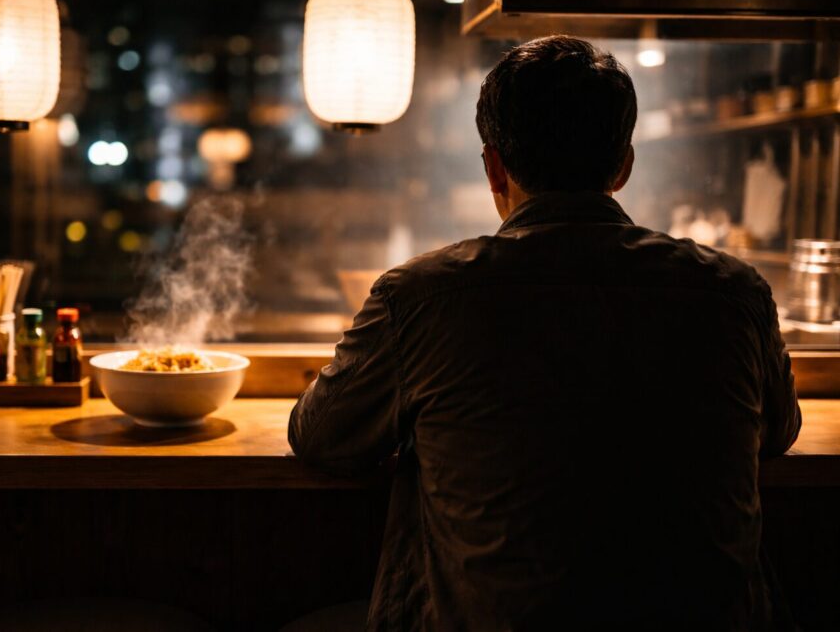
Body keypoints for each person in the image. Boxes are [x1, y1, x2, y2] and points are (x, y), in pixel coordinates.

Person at [288, 35, 801, 630]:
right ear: (624, 165)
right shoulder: (735, 294)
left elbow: (320, 435)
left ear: (493, 167)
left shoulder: (422, 298)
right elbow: (779, 428)